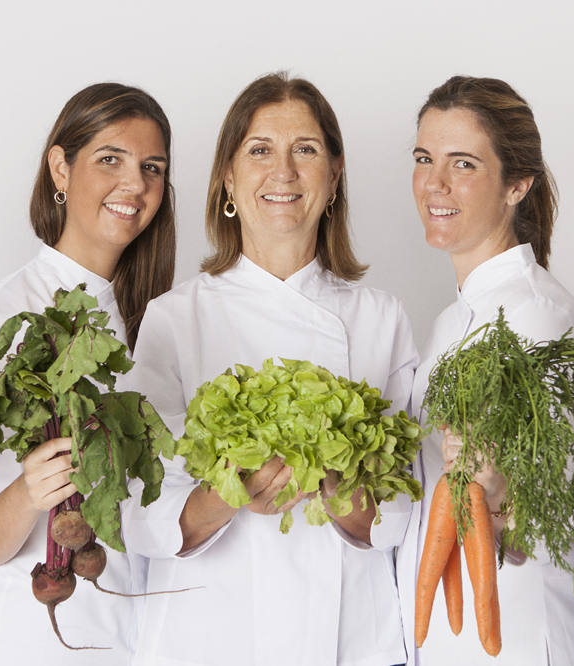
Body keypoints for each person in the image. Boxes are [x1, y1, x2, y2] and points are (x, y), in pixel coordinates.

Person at [120, 72, 419, 666]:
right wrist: (230, 493)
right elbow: (141, 510)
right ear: (228, 178)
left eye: (304, 150)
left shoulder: (381, 318)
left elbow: (402, 512)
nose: (283, 172)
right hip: (207, 633)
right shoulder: (175, 318)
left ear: (333, 178)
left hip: (350, 637)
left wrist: (332, 480)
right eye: (260, 151)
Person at [0, 82, 175, 665]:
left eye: (152, 167)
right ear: (59, 169)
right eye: (110, 160)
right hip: (31, 640)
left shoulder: (161, 323)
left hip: (144, 636)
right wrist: (27, 491)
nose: (135, 184)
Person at [408, 76, 574, 665]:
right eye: (424, 159)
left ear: (517, 184)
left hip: (518, 635)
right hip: (454, 638)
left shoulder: (538, 316)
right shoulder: (452, 318)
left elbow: (564, 511)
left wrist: (499, 493)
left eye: (462, 163)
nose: (434, 184)